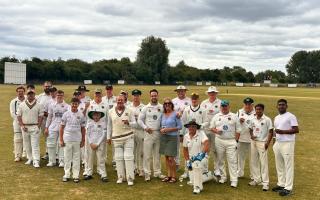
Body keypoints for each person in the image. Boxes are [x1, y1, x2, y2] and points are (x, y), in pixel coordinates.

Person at [210, 100, 241, 187]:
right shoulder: (216, 116)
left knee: (232, 161)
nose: (224, 108)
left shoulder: (234, 116)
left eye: (225, 106)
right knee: (220, 160)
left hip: (231, 141)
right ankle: (223, 177)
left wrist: (236, 141)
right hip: (219, 140)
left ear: (228, 107)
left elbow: (238, 130)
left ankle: (234, 180)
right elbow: (211, 127)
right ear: (220, 107)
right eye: (222, 106)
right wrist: (216, 131)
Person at [107, 95, 137, 186]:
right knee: (118, 158)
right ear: (116, 101)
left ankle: (130, 178)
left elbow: (135, 124)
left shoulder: (130, 111)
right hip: (116, 138)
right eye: (118, 100)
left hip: (128, 137)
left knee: (128, 157)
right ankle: (120, 177)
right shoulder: (111, 111)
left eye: (121, 100)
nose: (120, 101)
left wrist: (129, 123)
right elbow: (109, 125)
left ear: (124, 101)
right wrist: (108, 137)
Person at [272, 99, 299, 196]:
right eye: (279, 105)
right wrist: (274, 142)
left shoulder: (291, 116)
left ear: (286, 106)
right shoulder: (276, 117)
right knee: (279, 165)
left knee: (288, 165)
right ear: (277, 106)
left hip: (287, 143)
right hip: (278, 143)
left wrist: (283, 132)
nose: (281, 106)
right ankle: (281, 184)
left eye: (283, 105)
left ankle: (288, 188)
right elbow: (275, 131)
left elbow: (296, 129)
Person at [138, 89, 165, 181]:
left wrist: (163, 128)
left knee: (157, 154)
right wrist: (145, 128)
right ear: (150, 97)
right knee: (147, 154)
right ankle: (147, 173)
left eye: (155, 95)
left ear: (158, 96)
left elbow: (165, 119)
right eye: (152, 96)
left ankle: (157, 172)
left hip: (158, 133)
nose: (154, 97)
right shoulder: (146, 108)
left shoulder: (162, 107)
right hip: (148, 133)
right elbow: (140, 120)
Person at [180, 92, 207, 179]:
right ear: (191, 99)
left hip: (199, 133)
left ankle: (203, 171)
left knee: (200, 152)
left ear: (198, 99)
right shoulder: (187, 109)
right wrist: (182, 133)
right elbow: (183, 121)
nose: (194, 100)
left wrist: (200, 126)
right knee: (188, 152)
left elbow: (207, 121)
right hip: (189, 133)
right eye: (193, 99)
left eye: (196, 99)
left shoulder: (203, 109)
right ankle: (186, 171)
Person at [60, 98, 86, 183]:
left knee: (76, 158)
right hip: (67, 138)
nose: (74, 105)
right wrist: (61, 139)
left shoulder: (81, 115)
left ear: (78, 105)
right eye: (73, 104)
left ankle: (76, 175)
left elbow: (83, 128)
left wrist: (83, 140)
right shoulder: (66, 114)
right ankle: (67, 174)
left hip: (77, 139)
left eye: (76, 104)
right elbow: (61, 127)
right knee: (67, 157)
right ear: (71, 104)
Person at [17, 88, 44, 168]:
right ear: (27, 95)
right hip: (25, 127)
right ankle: (30, 158)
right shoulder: (22, 104)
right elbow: (19, 116)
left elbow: (41, 116)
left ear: (34, 95)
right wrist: (22, 126)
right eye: (29, 94)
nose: (30, 95)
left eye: (32, 94)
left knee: (35, 144)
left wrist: (38, 126)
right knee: (27, 144)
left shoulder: (39, 105)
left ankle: (36, 160)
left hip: (34, 126)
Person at [84, 88, 109, 176]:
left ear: (101, 95)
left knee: (101, 155)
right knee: (89, 154)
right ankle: (88, 171)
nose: (97, 96)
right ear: (94, 95)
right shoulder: (89, 104)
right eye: (96, 94)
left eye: (99, 95)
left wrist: (108, 135)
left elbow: (108, 120)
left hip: (102, 132)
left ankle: (101, 171)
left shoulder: (105, 105)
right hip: (90, 132)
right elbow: (85, 118)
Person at [249, 103, 273, 191]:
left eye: (260, 109)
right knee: (254, 161)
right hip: (254, 142)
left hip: (262, 143)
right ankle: (257, 179)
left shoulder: (267, 119)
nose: (258, 111)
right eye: (257, 109)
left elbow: (271, 131)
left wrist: (267, 142)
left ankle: (265, 183)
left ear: (263, 110)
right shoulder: (253, 119)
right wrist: (251, 135)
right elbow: (250, 129)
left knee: (263, 163)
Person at [183, 121, 212, 194]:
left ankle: (197, 187)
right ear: (188, 127)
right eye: (190, 126)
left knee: (197, 163)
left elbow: (206, 144)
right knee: (192, 181)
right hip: (191, 159)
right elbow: (185, 149)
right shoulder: (186, 136)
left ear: (196, 127)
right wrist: (187, 161)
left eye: (193, 126)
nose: (191, 128)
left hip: (202, 157)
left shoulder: (201, 133)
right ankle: (209, 175)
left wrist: (201, 154)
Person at [159, 98, 182, 183]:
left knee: (171, 158)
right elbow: (161, 125)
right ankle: (168, 175)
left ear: (171, 105)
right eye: (165, 104)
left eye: (169, 103)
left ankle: (174, 176)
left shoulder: (175, 114)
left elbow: (180, 127)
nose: (167, 105)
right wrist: (161, 129)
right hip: (164, 137)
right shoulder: (163, 114)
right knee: (166, 157)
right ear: (164, 105)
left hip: (172, 137)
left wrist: (169, 130)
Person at [44, 90, 69, 167]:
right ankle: (52, 161)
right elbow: (49, 117)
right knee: (51, 143)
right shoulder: (52, 105)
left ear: (63, 96)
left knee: (61, 144)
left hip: (63, 127)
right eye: (58, 95)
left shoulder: (67, 106)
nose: (59, 96)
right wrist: (46, 128)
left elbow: (68, 118)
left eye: (61, 95)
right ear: (56, 95)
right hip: (53, 126)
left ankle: (61, 161)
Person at [200, 86, 221, 175]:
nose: (212, 94)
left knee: (216, 150)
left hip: (215, 130)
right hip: (205, 130)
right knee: (205, 150)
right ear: (208, 93)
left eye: (213, 92)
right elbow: (200, 115)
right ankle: (204, 169)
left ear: (216, 93)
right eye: (210, 93)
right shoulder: (203, 103)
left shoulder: (220, 103)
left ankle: (217, 169)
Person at [84, 108, 108, 182]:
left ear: (100, 115)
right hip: (91, 144)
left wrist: (97, 143)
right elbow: (88, 134)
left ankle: (103, 174)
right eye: (95, 115)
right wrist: (91, 143)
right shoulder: (89, 123)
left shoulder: (103, 123)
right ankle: (89, 173)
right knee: (89, 158)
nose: (96, 116)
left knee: (101, 158)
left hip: (100, 144)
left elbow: (103, 134)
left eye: (98, 114)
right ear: (92, 116)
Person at [172, 85, 191, 170]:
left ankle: (188, 165)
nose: (181, 92)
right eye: (179, 91)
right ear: (177, 92)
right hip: (176, 127)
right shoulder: (173, 101)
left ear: (185, 91)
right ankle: (176, 164)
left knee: (188, 146)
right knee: (176, 147)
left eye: (182, 91)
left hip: (187, 127)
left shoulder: (190, 101)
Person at [236, 97, 255, 178]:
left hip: (252, 139)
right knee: (240, 157)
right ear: (243, 104)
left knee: (253, 158)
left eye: (249, 104)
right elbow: (234, 124)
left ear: (252, 105)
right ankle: (240, 173)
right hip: (241, 138)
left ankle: (253, 175)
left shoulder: (256, 112)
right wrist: (239, 121)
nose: (247, 106)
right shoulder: (239, 112)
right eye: (246, 104)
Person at [129, 89, 145, 176]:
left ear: (140, 96)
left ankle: (141, 168)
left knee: (141, 151)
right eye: (134, 95)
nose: (136, 97)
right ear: (132, 96)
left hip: (140, 131)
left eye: (137, 95)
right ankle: (134, 168)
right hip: (131, 131)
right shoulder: (128, 107)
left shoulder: (144, 107)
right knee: (132, 151)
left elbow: (144, 121)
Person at [36, 81, 52, 160]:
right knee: (42, 136)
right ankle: (43, 153)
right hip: (41, 120)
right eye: (46, 86)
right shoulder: (39, 96)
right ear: (43, 87)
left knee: (49, 137)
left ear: (51, 87)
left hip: (51, 121)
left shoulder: (53, 96)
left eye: (49, 86)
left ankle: (50, 153)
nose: (47, 88)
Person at [9, 85, 26, 162]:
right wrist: (20, 122)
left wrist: (25, 121)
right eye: (19, 91)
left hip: (27, 122)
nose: (20, 93)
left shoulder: (27, 100)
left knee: (27, 138)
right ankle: (17, 155)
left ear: (24, 92)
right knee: (18, 139)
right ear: (17, 92)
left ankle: (27, 154)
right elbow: (13, 113)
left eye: (22, 91)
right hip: (17, 123)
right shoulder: (13, 101)